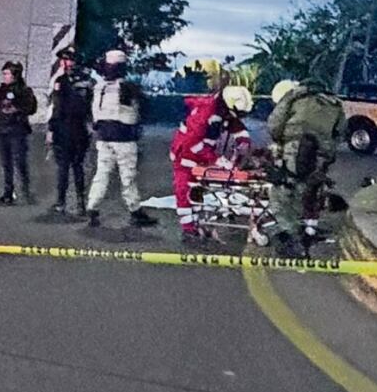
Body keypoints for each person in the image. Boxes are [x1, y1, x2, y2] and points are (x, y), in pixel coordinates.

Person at [266, 78, 344, 253]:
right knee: (312, 192)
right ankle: (309, 230)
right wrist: (326, 149)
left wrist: (281, 142)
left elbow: (274, 125)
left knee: (282, 193)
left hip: (295, 150)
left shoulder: (293, 97)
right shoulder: (335, 103)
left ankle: (291, 237)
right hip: (321, 156)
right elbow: (340, 133)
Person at [169, 85, 253, 245]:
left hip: (198, 155)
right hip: (184, 156)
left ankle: (198, 223)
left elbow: (234, 123)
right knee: (184, 190)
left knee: (196, 191)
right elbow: (194, 144)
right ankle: (188, 230)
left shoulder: (221, 110)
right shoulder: (205, 113)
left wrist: (244, 140)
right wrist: (217, 160)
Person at [85, 49, 157, 229]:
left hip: (103, 136)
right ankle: (135, 211)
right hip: (123, 137)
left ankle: (92, 207)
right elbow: (145, 108)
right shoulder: (127, 87)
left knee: (102, 173)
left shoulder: (99, 87)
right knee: (128, 177)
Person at [47, 45, 94, 216]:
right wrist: (51, 129)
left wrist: (91, 125)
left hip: (75, 129)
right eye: (63, 60)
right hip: (68, 129)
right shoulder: (65, 81)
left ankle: (76, 202)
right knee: (67, 168)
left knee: (74, 167)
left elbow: (87, 107)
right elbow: (56, 108)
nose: (65, 63)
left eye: (68, 59)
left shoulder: (80, 82)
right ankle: (66, 202)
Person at [0, 61, 38, 205]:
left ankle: (25, 190)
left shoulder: (24, 91)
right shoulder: (0, 91)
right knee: (6, 163)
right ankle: (8, 192)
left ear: (15, 75)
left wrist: (16, 108)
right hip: (2, 130)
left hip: (17, 131)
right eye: (4, 73)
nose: (4, 76)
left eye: (7, 73)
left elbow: (31, 108)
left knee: (20, 162)